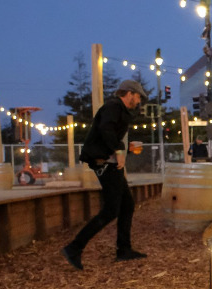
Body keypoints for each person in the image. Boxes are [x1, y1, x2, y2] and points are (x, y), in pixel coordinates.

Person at [61, 80, 148, 270]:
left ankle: (124, 249)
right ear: (129, 93)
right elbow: (105, 129)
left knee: (127, 205)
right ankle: (74, 247)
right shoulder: (113, 106)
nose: (138, 101)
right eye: (137, 96)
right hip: (105, 164)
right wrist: (119, 149)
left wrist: (125, 148)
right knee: (111, 210)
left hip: (110, 163)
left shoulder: (118, 110)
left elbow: (109, 135)